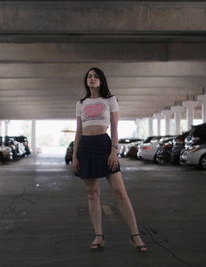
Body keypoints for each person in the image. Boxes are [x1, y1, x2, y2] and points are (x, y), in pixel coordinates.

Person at [72, 67, 148, 253]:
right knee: (92, 193)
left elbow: (114, 128)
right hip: (86, 147)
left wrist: (114, 150)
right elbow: (78, 131)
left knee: (119, 191)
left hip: (104, 145)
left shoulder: (110, 100)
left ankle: (135, 235)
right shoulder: (80, 103)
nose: (92, 79)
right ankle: (99, 235)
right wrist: (75, 156)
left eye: (96, 76)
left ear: (101, 80)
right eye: (89, 76)